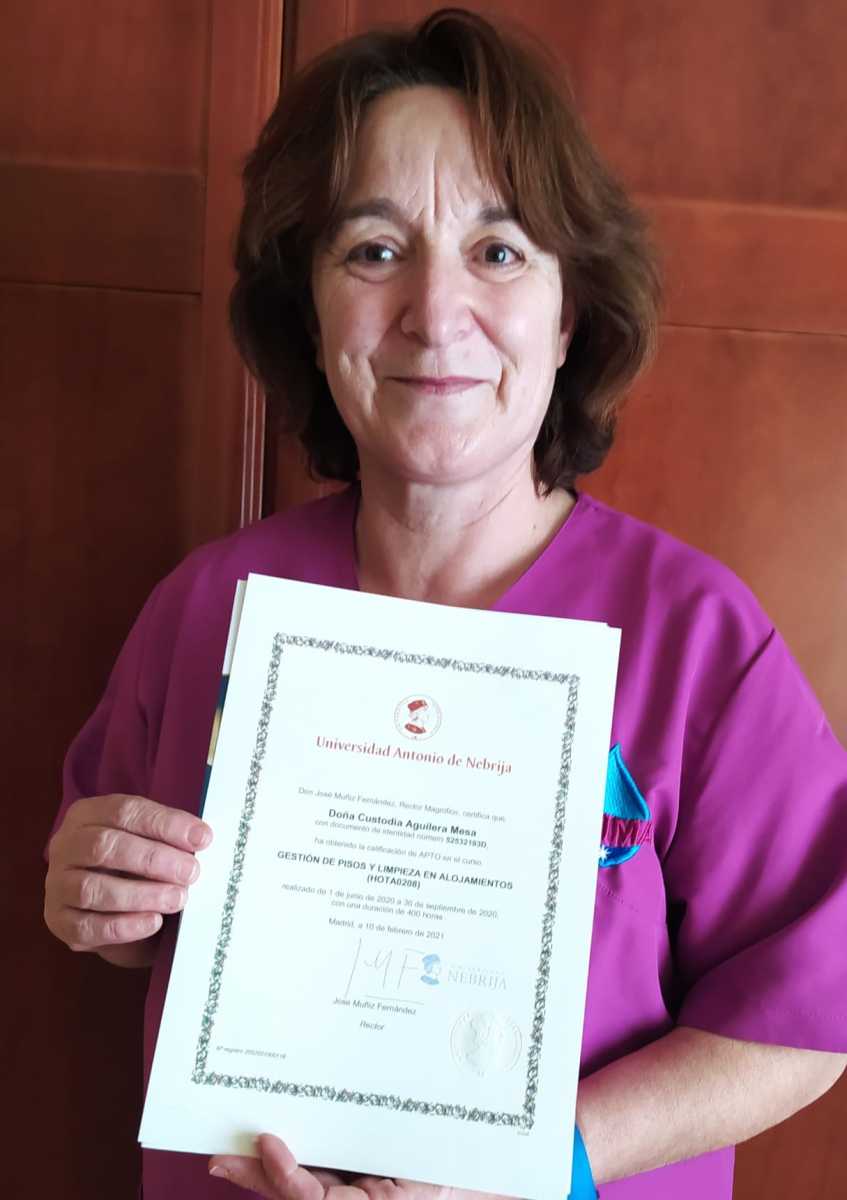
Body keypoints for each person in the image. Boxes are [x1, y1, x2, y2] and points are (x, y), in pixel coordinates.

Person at [43, 8, 847, 1200]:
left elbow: (807, 1016)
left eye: (499, 251)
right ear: (310, 312)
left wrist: (534, 1162)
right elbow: (129, 926)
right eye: (373, 250)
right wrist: (94, 898)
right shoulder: (207, 607)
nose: (434, 310)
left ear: (567, 316)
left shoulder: (698, 637)